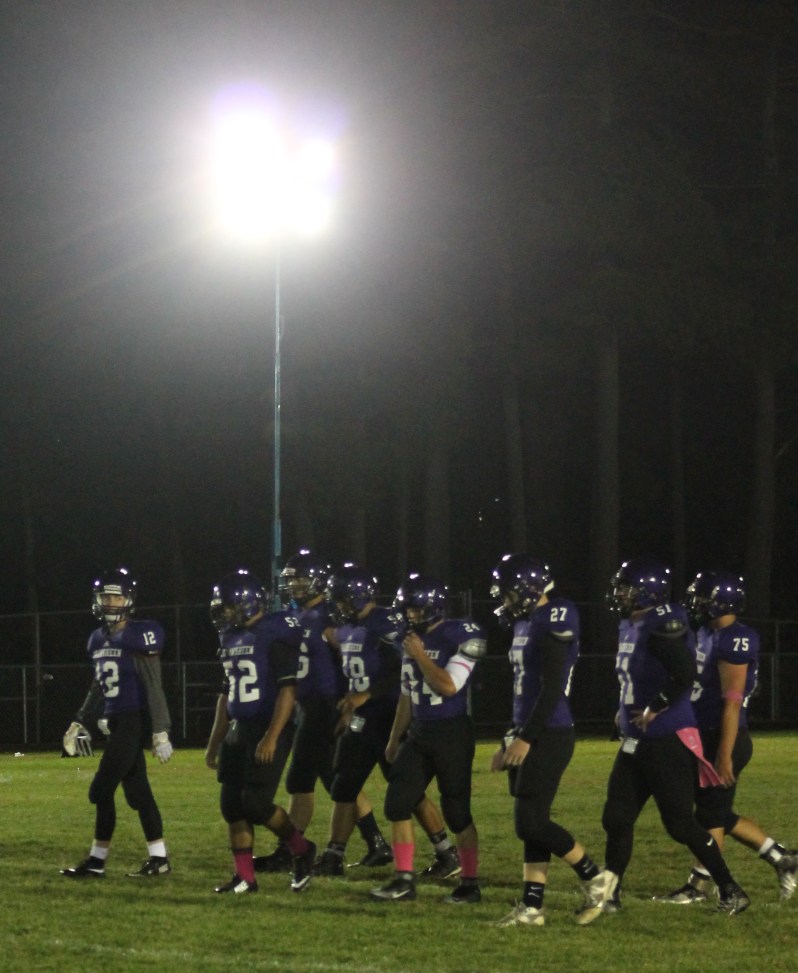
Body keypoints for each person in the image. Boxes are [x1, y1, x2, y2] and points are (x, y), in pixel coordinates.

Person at [598, 558, 750, 918]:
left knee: (680, 823)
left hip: (666, 739)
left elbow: (683, 676)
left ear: (647, 592)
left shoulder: (661, 623)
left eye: (626, 588)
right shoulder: (630, 623)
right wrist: (624, 710)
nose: (619, 594)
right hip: (636, 740)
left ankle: (730, 889)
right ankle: (610, 896)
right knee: (616, 818)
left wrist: (654, 707)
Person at [656, 571, 797, 904]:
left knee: (707, 817)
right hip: (703, 734)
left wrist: (724, 753)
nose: (695, 604)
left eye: (701, 599)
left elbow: (732, 702)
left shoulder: (736, 637)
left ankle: (698, 887)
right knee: (712, 813)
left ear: (721, 602)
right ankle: (782, 858)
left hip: (725, 736)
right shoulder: (706, 631)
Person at [315, 564, 461, 880]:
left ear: (357, 596)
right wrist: (350, 705)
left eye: (342, 599)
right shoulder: (352, 626)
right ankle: (333, 855)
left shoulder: (385, 621)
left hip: (389, 715)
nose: (338, 606)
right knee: (344, 784)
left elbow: (404, 668)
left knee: (406, 791)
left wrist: (365, 695)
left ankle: (447, 852)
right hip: (363, 717)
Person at [253, 550, 392, 875]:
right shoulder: (293, 615)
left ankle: (291, 849)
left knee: (303, 780)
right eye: (290, 580)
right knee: (335, 779)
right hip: (309, 706)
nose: (295, 585)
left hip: (327, 706)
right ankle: (376, 842)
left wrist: (351, 698)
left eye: (301, 579)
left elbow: (354, 655)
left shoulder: (331, 615)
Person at [487, 554, 606, 926]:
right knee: (531, 821)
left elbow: (552, 686)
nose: (504, 601)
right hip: (530, 731)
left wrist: (526, 737)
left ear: (528, 589)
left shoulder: (557, 613)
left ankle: (596, 877)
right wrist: (509, 737)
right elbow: (525, 691)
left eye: (508, 593)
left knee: (530, 823)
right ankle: (533, 907)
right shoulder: (527, 622)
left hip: (550, 731)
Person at [371, 574, 486, 904]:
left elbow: (449, 686)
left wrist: (421, 656)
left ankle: (470, 882)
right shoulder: (408, 639)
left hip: (452, 732)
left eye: (417, 610)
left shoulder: (459, 635)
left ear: (434, 609)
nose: (411, 617)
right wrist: (395, 738)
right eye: (407, 610)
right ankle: (404, 879)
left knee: (457, 813)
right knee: (397, 802)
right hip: (420, 732)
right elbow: (407, 694)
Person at [204, 569, 316, 894]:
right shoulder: (230, 638)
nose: (224, 613)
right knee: (231, 806)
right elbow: (226, 696)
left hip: (268, 726)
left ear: (248, 604)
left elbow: (288, 689)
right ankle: (245, 877)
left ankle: (301, 849)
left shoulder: (274, 632)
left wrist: (271, 735)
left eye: (228, 606)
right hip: (238, 729)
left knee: (254, 802)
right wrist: (214, 743)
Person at [60, 567, 173, 879]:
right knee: (138, 794)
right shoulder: (96, 639)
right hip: (116, 723)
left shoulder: (140, 635)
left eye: (116, 596)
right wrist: (80, 720)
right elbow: (98, 686)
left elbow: (153, 684)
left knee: (100, 789)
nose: (110, 602)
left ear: (128, 600)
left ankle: (97, 860)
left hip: (134, 721)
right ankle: (159, 858)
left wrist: (161, 729)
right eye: (105, 596)